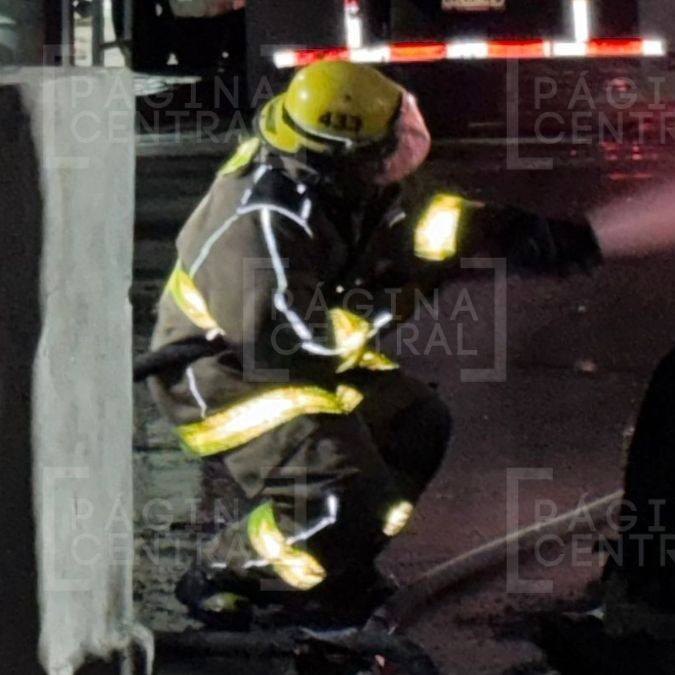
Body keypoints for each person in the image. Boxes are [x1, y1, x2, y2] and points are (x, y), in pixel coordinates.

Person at [147, 60, 601, 626]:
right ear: (342, 156)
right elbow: (287, 342)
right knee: (340, 492)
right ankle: (227, 570)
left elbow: (419, 221)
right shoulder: (259, 219)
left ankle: (340, 560)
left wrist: (513, 231)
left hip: (297, 356)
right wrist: (393, 301)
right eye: (387, 147)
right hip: (230, 374)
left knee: (417, 425)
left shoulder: (343, 179)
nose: (400, 155)